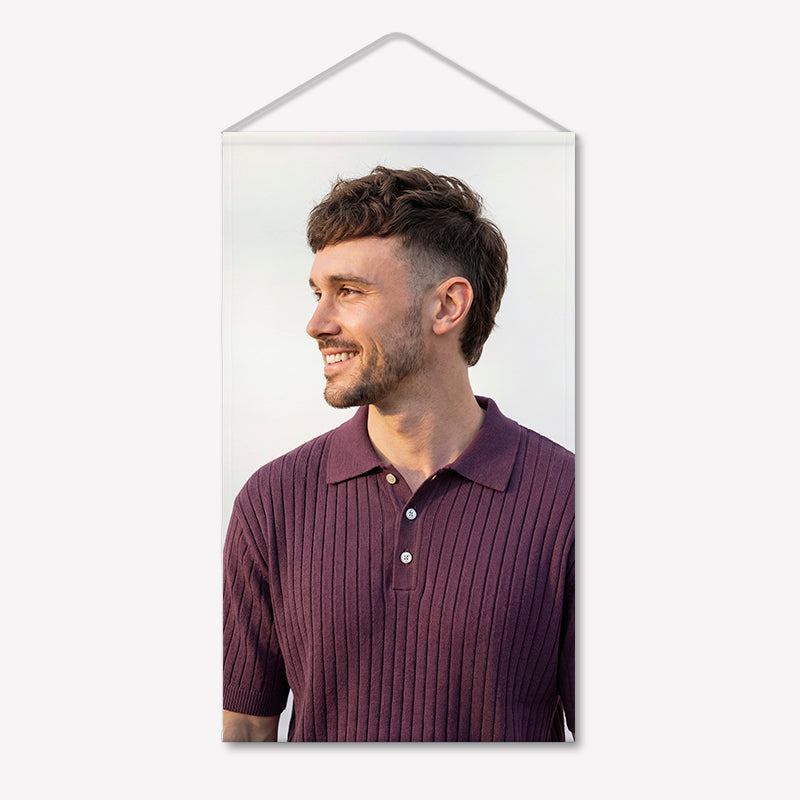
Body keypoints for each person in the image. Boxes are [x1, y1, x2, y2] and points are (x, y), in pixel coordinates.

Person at [222, 166, 575, 742]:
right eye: (318, 293)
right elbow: (243, 729)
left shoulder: (569, 502)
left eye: (349, 292)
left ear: (447, 306)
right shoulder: (272, 501)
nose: (316, 324)